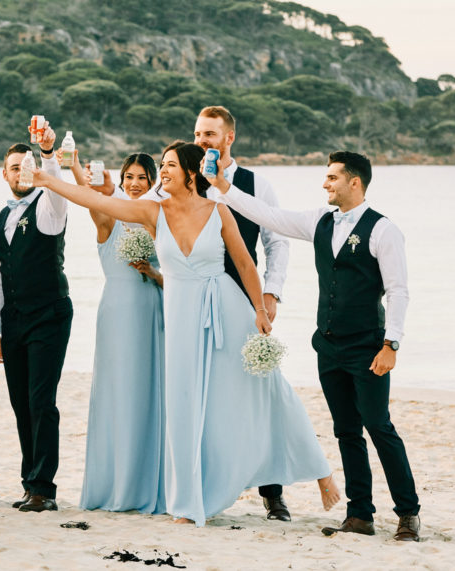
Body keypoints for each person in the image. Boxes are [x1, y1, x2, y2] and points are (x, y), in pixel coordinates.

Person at [30, 141, 339, 527]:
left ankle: (321, 471)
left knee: (271, 387)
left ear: (191, 173)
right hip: (180, 317)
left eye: (170, 165)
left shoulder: (218, 210)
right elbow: (97, 200)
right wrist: (48, 179)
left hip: (226, 308)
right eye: (162, 164)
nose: (163, 171)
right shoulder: (152, 211)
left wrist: (260, 311)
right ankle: (188, 502)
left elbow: (244, 263)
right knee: (183, 405)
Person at [210, 151, 421, 542]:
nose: (325, 184)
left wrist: (391, 343)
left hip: (368, 347)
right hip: (328, 346)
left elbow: (398, 290)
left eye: (332, 178)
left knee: (379, 427)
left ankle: (408, 513)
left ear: (354, 182)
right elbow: (269, 216)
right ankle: (360, 515)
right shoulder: (320, 221)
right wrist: (224, 186)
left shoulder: (383, 230)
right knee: (346, 431)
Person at [98, 105, 293, 519]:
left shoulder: (256, 185)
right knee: (202, 397)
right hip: (189, 304)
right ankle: (200, 487)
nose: (202, 141)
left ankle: (272, 492)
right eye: (198, 134)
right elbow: (134, 204)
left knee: (260, 389)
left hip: (241, 301)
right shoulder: (172, 187)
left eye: (210, 134)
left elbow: (275, 242)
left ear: (228, 138)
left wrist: (269, 295)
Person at [66, 151, 166, 514]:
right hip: (117, 313)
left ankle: (149, 482)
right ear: (121, 181)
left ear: (153, 181)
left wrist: (153, 272)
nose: (135, 184)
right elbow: (89, 197)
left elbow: (178, 277)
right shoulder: (109, 218)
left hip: (152, 310)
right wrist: (73, 166)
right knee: (117, 393)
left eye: (142, 178)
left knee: (150, 394)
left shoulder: (160, 220)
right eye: (129, 177)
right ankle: (114, 484)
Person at [0, 128, 72, 513]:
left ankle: (43, 488)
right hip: (13, 320)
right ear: (4, 174)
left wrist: (48, 155)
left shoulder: (50, 207)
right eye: (14, 167)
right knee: (21, 403)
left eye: (27, 166)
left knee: (42, 401)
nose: (20, 172)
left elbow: (56, 190)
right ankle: (29, 483)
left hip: (49, 314)